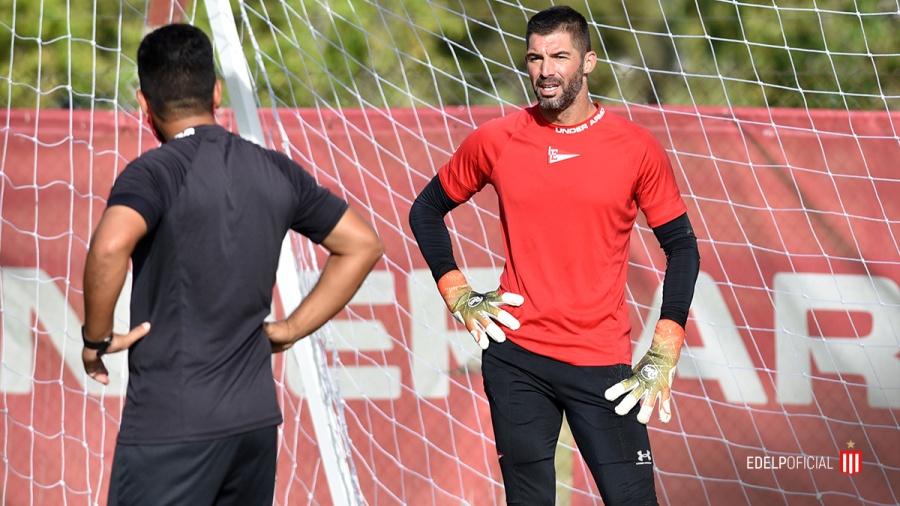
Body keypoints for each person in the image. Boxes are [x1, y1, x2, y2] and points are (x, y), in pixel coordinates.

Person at [408, 5, 700, 505]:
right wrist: (457, 292)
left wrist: (664, 350)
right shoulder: (497, 139)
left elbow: (682, 248)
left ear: (588, 62)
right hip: (516, 359)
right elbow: (426, 211)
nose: (546, 70)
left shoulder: (635, 147)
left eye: (559, 56)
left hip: (603, 364)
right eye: (535, 58)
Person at [81, 24, 383, 505]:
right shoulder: (274, 168)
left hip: (172, 426)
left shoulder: (155, 171)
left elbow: (110, 246)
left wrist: (95, 339)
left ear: (143, 104)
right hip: (254, 427)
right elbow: (362, 244)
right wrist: (287, 329)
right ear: (216, 93)